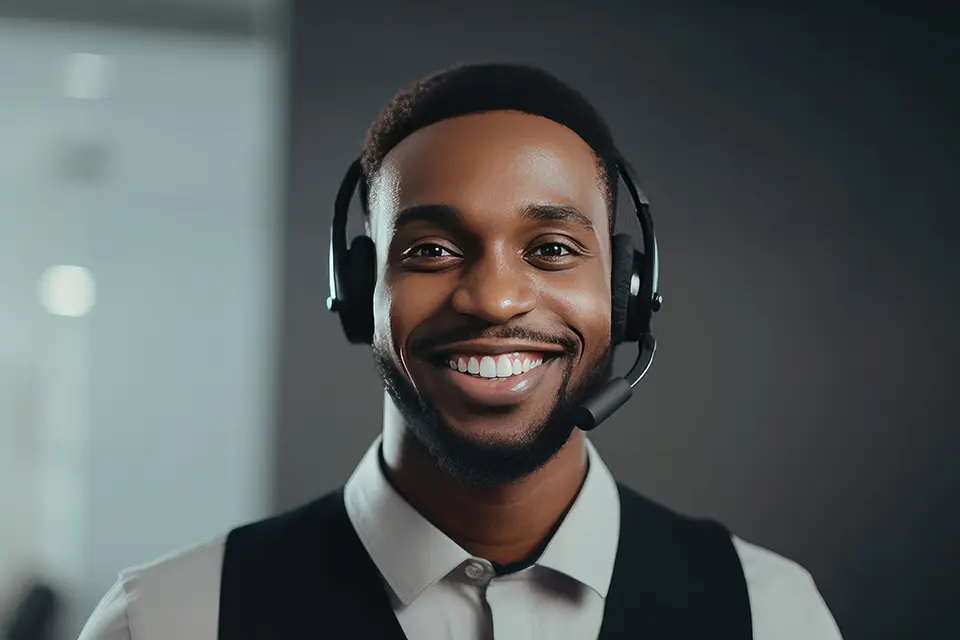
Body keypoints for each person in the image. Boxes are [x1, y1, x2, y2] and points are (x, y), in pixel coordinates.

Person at [78, 63, 844, 640]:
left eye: (550, 248)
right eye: (433, 249)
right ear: (356, 289)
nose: (495, 298)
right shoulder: (169, 620)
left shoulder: (771, 615)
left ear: (628, 291)